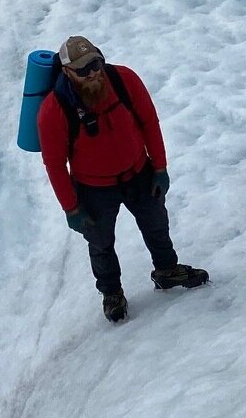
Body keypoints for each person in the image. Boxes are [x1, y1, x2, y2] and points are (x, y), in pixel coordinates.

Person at [39, 34, 207, 322]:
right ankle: (111, 293)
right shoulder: (54, 110)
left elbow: (148, 121)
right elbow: (54, 165)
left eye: (95, 63)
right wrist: (72, 208)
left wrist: (160, 167)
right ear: (67, 72)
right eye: (82, 69)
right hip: (93, 189)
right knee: (101, 242)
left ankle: (166, 270)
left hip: (139, 173)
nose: (92, 72)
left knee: (156, 225)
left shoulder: (124, 79)